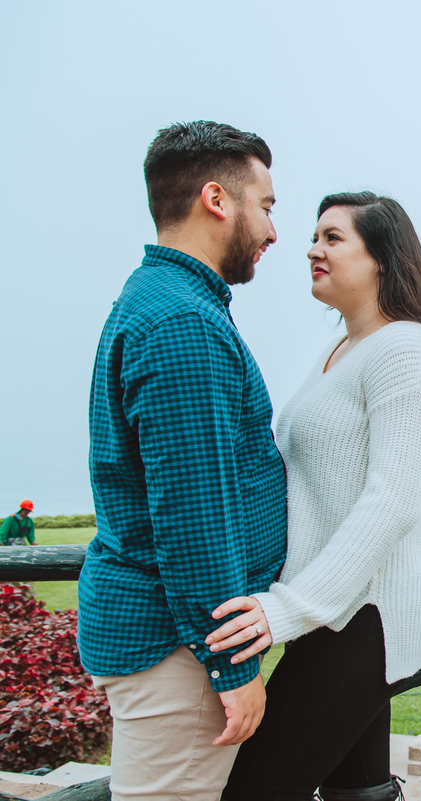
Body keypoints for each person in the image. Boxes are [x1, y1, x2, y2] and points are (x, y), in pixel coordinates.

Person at [207, 191, 421, 801]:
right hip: (330, 611)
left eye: (333, 238)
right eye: (314, 237)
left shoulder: (406, 350)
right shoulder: (342, 350)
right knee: (358, 792)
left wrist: (287, 608)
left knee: (257, 789)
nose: (311, 250)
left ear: (382, 257)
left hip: (364, 617)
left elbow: (393, 500)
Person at [79, 121, 287, 801]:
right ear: (216, 199)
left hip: (173, 645)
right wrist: (232, 668)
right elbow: (194, 518)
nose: (273, 230)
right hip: (180, 654)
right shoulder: (184, 326)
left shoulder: (167, 302)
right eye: (265, 205)